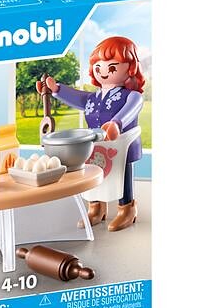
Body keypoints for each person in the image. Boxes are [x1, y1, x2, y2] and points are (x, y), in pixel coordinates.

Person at [37, 36, 145, 231]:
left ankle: (127, 208)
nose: (103, 71)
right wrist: (56, 90)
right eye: (98, 66)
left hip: (122, 143)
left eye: (112, 67)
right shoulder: (93, 98)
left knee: (122, 175)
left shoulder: (132, 96)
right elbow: (78, 97)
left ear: (130, 68)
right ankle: (95, 207)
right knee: (93, 173)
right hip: (96, 144)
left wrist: (116, 123)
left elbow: (130, 110)